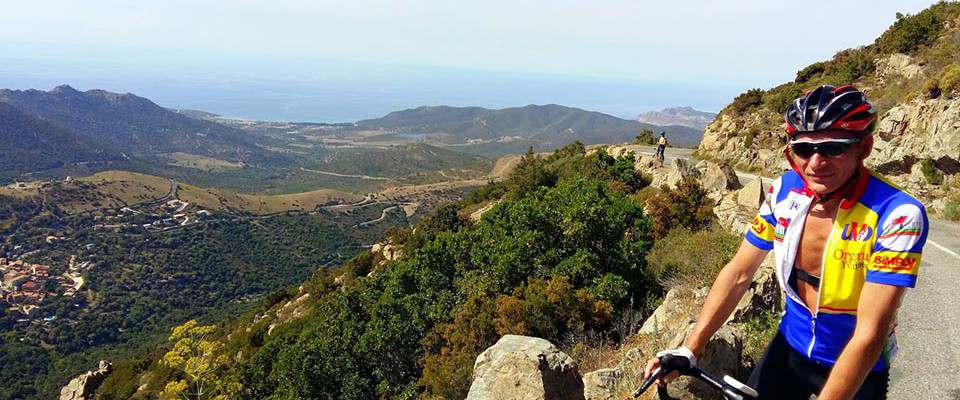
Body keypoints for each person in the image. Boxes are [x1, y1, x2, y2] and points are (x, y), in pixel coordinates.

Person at [643, 85, 928, 400]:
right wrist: (690, 348)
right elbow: (739, 272)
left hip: (856, 366)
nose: (816, 162)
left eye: (833, 147)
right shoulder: (784, 191)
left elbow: (870, 332)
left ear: (864, 147)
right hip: (789, 349)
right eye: (804, 149)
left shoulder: (898, 214)